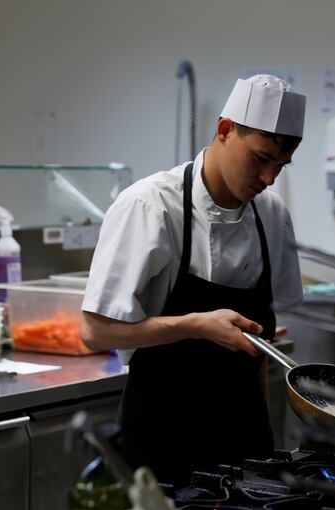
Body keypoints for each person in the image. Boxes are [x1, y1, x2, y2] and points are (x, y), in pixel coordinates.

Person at [80, 74, 306, 486]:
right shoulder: (151, 206)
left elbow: (259, 356)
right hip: (162, 446)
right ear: (224, 130)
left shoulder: (272, 215)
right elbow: (94, 331)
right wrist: (197, 325)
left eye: (281, 165)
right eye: (260, 159)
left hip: (245, 448)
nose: (269, 178)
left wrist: (266, 447)